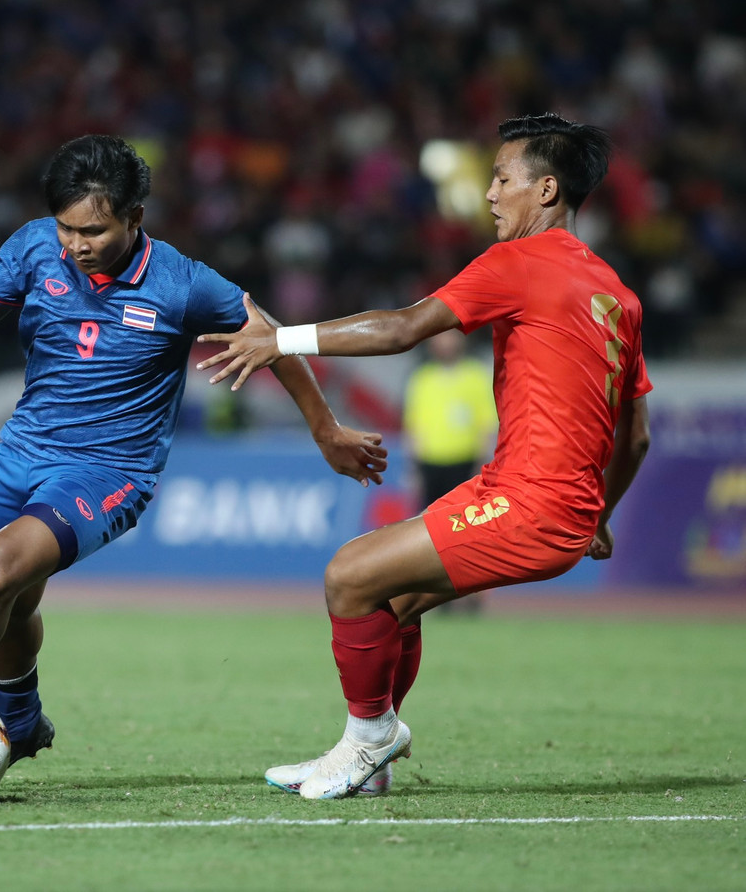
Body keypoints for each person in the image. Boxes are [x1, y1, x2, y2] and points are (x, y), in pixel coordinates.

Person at [0, 134, 388, 779]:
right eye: (67, 228)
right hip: (22, 451)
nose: (77, 245)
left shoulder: (183, 283)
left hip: (109, 473)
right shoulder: (34, 246)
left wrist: (325, 430)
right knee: (11, 600)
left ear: (135, 217)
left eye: (95, 231)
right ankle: (19, 723)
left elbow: (272, 339)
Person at [197, 113, 652, 800]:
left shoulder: (521, 262)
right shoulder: (618, 296)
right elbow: (636, 435)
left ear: (547, 190)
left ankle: (369, 738)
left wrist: (280, 339)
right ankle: (369, 762)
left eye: (502, 178)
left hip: (530, 502)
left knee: (348, 575)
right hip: (540, 496)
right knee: (395, 601)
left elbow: (405, 327)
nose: (491, 193)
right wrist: (599, 514)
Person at [401, 328, 497, 614]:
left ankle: (474, 595)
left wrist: (482, 465)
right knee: (430, 534)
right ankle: (436, 595)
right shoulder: (422, 379)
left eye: (450, 336)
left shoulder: (476, 375)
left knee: (472, 533)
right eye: (440, 336)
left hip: (464, 463)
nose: (445, 342)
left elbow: (486, 424)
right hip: (431, 463)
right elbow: (413, 426)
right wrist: (414, 467)